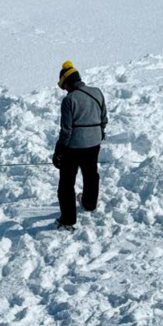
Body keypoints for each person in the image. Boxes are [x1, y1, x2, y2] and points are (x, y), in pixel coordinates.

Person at [52, 61, 107, 230]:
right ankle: (89, 204)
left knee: (66, 183)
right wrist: (98, 135)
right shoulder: (97, 92)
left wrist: (58, 151)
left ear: (67, 83)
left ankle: (68, 219)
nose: (65, 90)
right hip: (94, 143)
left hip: (74, 147)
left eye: (64, 87)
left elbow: (66, 130)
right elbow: (104, 119)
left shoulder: (69, 100)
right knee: (91, 174)